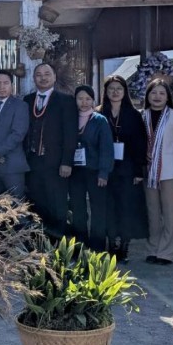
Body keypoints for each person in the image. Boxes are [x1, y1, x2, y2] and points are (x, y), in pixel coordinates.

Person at [22, 63, 78, 240]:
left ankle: (58, 247)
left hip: (56, 163)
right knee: (36, 204)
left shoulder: (66, 100)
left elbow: (70, 134)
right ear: (34, 78)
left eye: (47, 74)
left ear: (54, 76)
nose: (43, 78)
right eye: (39, 74)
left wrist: (67, 162)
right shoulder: (27, 100)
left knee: (57, 205)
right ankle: (39, 245)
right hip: (32, 162)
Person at [98, 74, 148, 263]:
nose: (115, 92)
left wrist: (138, 170)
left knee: (126, 208)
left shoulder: (133, 114)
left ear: (124, 92)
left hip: (127, 167)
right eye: (111, 88)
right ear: (106, 91)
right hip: (106, 168)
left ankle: (124, 246)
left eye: (119, 88)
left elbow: (140, 143)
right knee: (109, 207)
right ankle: (112, 244)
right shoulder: (99, 113)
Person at [141, 78, 173, 266]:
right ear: (148, 96)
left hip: (171, 172)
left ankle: (166, 252)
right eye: (153, 93)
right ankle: (153, 249)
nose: (157, 97)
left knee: (170, 213)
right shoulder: (141, 115)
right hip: (149, 172)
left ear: (168, 96)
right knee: (152, 213)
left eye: (162, 93)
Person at [69, 85, 114, 250]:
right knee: (78, 210)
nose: (84, 102)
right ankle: (80, 246)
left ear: (93, 101)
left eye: (88, 98)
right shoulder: (70, 118)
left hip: (96, 172)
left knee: (98, 211)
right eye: (80, 98)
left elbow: (106, 148)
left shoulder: (99, 120)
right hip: (75, 172)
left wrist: (104, 172)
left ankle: (98, 248)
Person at [0, 70, 30, 198]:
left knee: (15, 209)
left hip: (12, 166)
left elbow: (18, 134)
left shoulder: (21, 106)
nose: (2, 87)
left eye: (6, 83)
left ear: (12, 85)